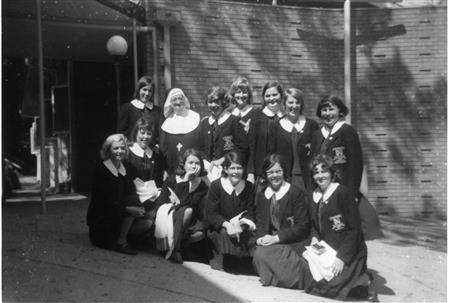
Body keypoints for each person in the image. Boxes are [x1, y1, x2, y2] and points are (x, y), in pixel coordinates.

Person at [301, 154, 376, 301]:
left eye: (324, 171)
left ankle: (364, 279)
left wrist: (342, 257)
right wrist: (314, 237)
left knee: (331, 287)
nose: (320, 176)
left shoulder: (342, 192)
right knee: (311, 283)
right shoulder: (313, 196)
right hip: (327, 250)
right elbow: (314, 225)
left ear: (332, 173)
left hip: (350, 251)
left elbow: (355, 230)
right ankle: (352, 283)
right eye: (316, 172)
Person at [86, 134, 153, 255]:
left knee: (148, 221)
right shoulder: (101, 169)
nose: (120, 151)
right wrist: (128, 209)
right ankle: (121, 242)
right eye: (115, 148)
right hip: (103, 222)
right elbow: (104, 202)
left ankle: (128, 238)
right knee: (133, 203)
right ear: (108, 150)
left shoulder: (125, 168)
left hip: (118, 214)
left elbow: (131, 193)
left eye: (122, 148)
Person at [252, 154, 310, 288]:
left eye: (278, 171)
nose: (275, 175)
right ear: (266, 175)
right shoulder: (262, 195)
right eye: (270, 172)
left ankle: (289, 277)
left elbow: (302, 226)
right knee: (259, 253)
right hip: (270, 244)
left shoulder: (296, 193)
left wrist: (277, 238)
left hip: (291, 243)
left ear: (284, 171)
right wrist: (260, 238)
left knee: (263, 256)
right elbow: (260, 223)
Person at [154, 148, 209, 264]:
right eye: (190, 163)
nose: (194, 166)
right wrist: (185, 181)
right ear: (183, 165)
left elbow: (188, 205)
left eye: (197, 163)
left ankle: (175, 246)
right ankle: (175, 250)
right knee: (186, 211)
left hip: (187, 220)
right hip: (168, 216)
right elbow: (161, 204)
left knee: (198, 232)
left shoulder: (202, 185)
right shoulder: (172, 179)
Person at [205, 151, 256, 271]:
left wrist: (242, 224)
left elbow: (251, 211)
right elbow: (211, 213)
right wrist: (227, 225)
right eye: (232, 168)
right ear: (226, 169)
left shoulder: (249, 187)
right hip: (220, 227)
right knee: (224, 237)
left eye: (239, 168)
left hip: (241, 227)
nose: (236, 172)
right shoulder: (216, 186)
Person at [310, 95, 363, 202]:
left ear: (340, 111)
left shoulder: (347, 132)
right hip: (321, 190)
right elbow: (312, 164)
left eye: (331, 109)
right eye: (324, 110)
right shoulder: (317, 135)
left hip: (343, 190)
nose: (328, 114)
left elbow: (355, 166)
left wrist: (352, 194)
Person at [268, 88, 319, 191]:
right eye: (290, 102)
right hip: (285, 179)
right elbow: (272, 155)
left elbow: (317, 154)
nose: (294, 106)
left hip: (307, 180)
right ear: (284, 104)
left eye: (297, 102)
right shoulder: (275, 126)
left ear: (301, 105)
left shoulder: (312, 125)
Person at [198, 86, 248, 181]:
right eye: (210, 102)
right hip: (207, 173)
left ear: (224, 102)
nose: (213, 105)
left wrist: (222, 160)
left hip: (228, 172)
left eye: (216, 102)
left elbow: (242, 148)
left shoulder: (234, 121)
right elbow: (200, 148)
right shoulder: (204, 123)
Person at [127, 118, 166, 224]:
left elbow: (158, 179)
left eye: (149, 133)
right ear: (135, 133)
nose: (145, 137)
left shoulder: (156, 154)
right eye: (142, 133)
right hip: (134, 198)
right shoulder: (127, 153)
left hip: (152, 197)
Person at [248, 81, 284, 187]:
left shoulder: (287, 118)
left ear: (281, 96)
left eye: (275, 94)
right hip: (262, 173)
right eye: (268, 95)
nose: (271, 98)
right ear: (264, 98)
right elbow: (251, 147)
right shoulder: (256, 117)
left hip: (283, 173)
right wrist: (251, 172)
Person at [160, 88, 201, 175]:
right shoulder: (167, 123)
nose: (178, 102)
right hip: (172, 169)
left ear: (184, 100)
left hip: (193, 168)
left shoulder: (195, 118)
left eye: (180, 98)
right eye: (174, 99)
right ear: (170, 103)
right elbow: (163, 149)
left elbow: (200, 144)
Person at [228, 76, 259, 183]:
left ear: (249, 94)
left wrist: (251, 172)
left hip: (248, 168)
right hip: (231, 167)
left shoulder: (256, 115)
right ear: (233, 94)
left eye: (244, 92)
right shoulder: (228, 114)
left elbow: (255, 147)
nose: (241, 95)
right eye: (238, 92)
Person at [117, 76, 162, 143]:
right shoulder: (127, 108)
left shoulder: (157, 110)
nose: (147, 93)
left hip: (152, 150)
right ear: (138, 90)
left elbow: (159, 133)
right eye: (144, 89)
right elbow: (121, 133)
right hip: (133, 148)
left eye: (150, 91)